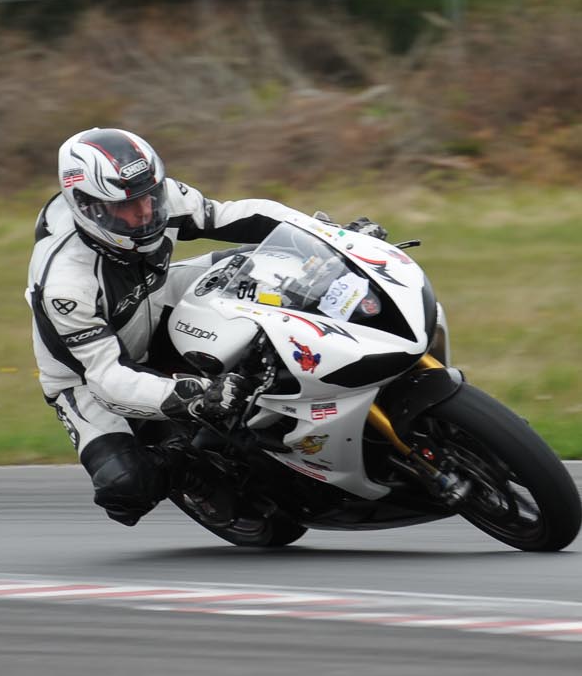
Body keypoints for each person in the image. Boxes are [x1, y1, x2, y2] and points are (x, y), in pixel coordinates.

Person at [26, 126, 383, 526]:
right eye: (127, 207)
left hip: (158, 296)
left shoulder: (154, 196)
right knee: (125, 485)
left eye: (149, 197)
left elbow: (230, 215)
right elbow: (107, 376)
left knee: (276, 264)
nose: (145, 213)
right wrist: (193, 395)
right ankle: (186, 471)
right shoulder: (66, 285)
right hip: (89, 377)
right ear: (88, 208)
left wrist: (330, 237)